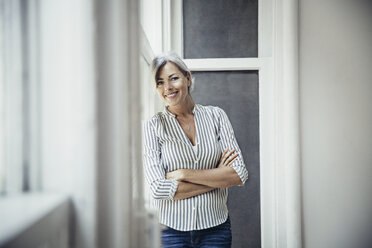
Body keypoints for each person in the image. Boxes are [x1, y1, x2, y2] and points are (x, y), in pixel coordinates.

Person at [143, 52, 248, 248]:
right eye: (160, 82)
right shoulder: (152, 127)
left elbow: (239, 173)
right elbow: (158, 188)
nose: (168, 88)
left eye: (173, 78)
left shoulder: (216, 116)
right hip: (170, 233)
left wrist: (183, 174)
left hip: (215, 230)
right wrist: (218, 179)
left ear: (188, 78)